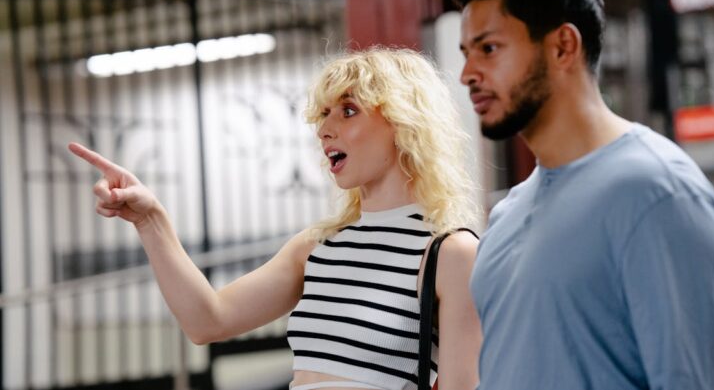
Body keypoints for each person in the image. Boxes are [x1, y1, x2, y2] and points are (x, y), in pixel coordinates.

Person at [69, 48, 482, 390]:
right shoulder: (317, 246)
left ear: (403, 124)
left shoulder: (451, 252)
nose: (325, 129)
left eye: (348, 110)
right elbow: (207, 320)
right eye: (323, 114)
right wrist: (151, 220)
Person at [453, 0, 714, 389]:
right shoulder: (507, 213)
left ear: (563, 47)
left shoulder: (659, 195)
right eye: (466, 51)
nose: (467, 72)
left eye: (488, 48)